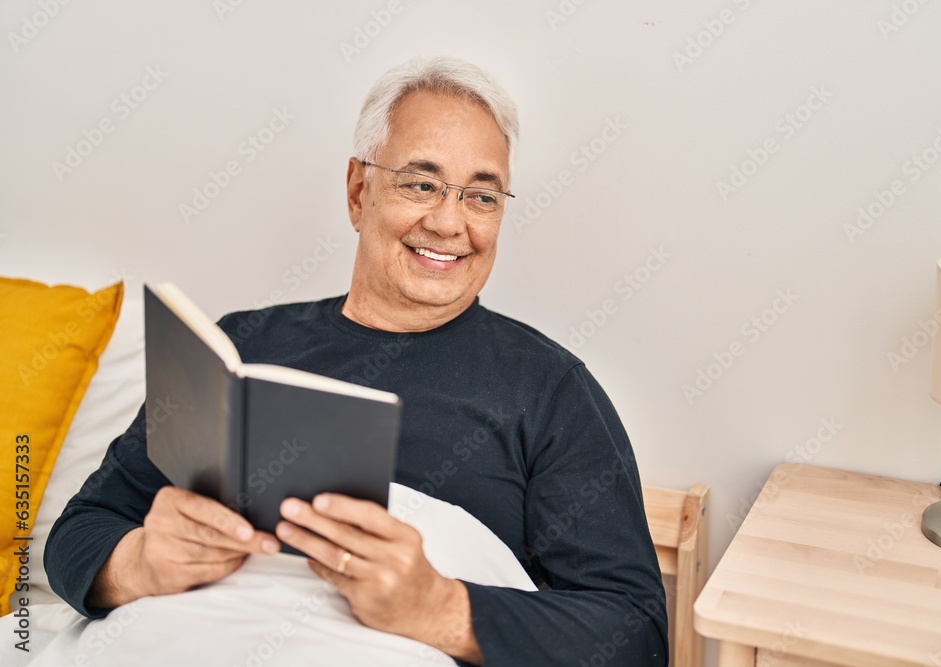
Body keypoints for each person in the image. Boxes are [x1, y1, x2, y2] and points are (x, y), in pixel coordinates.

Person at [45, 56, 668, 666]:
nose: (450, 223)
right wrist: (141, 562)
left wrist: (439, 607)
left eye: (482, 197)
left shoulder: (552, 390)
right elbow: (80, 531)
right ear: (356, 191)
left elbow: (635, 633)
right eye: (421, 184)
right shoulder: (240, 348)